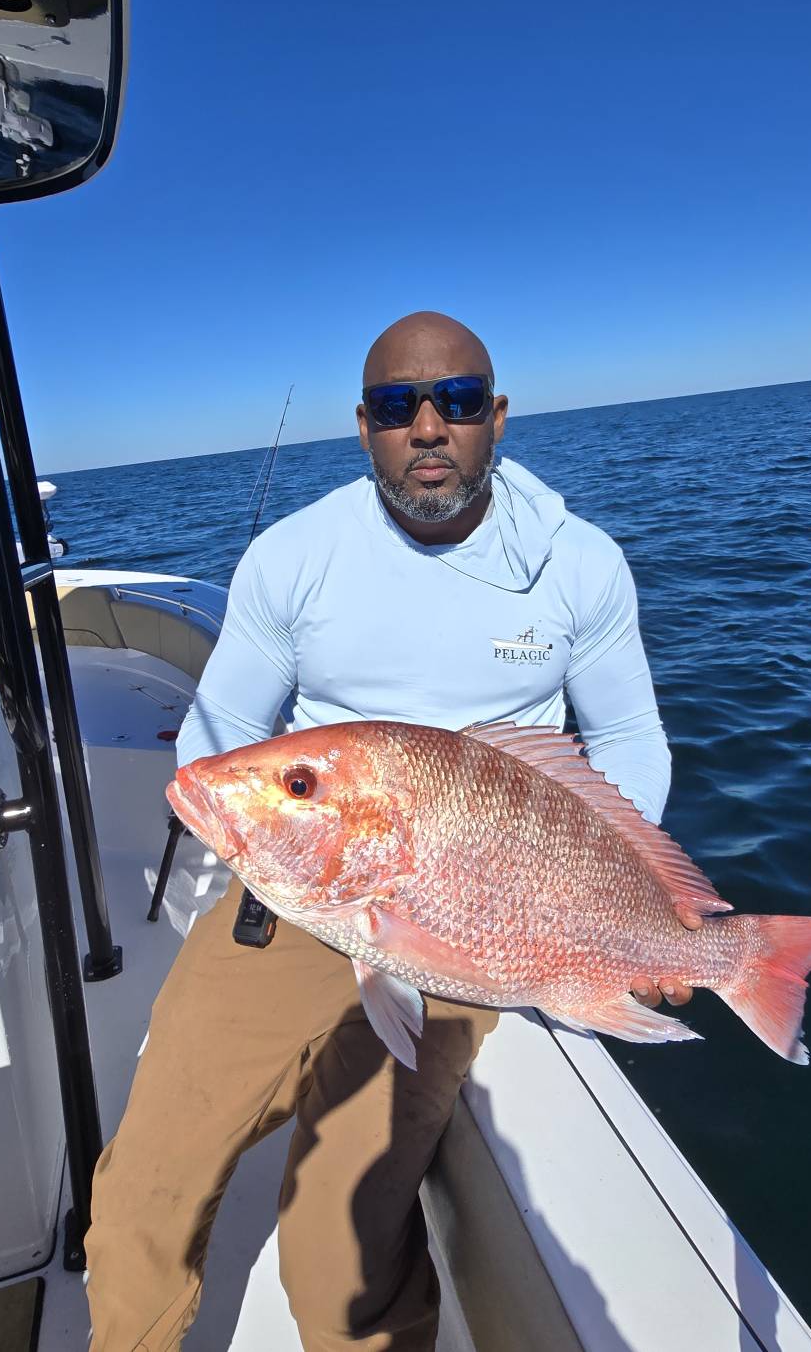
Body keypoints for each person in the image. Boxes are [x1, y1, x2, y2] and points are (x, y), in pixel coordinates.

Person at [84, 311, 697, 1352]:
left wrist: (642, 908)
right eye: (394, 406)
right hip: (304, 885)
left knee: (338, 1241)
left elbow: (631, 740)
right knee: (144, 1180)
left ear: (495, 418)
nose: (426, 425)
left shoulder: (578, 565)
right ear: (362, 429)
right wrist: (247, 834)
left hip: (485, 910)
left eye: (455, 401)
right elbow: (221, 729)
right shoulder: (297, 556)